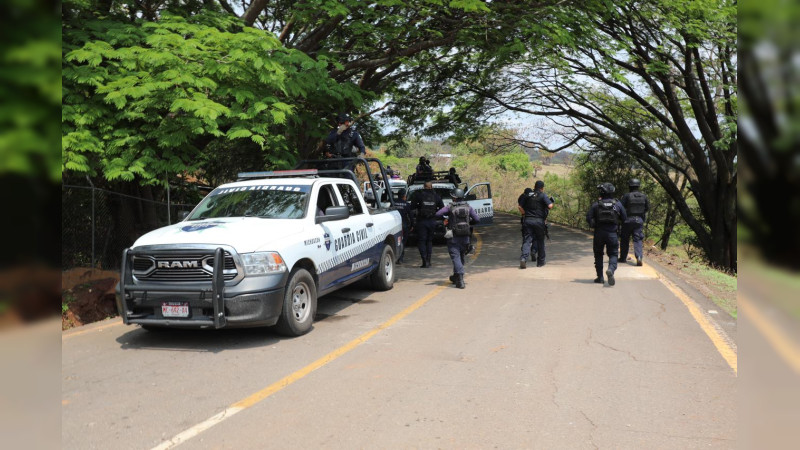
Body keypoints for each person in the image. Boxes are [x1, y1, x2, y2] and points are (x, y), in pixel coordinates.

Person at [435, 188, 481, 289]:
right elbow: (477, 219)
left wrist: (446, 218)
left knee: (456, 257)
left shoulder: (450, 207)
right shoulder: (468, 207)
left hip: (454, 237)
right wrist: (469, 225)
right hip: (465, 237)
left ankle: (460, 280)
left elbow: (438, 214)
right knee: (461, 257)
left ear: (454, 197)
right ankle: (456, 277)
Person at [586, 182, 627, 286]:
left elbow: (588, 218)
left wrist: (593, 223)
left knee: (598, 254)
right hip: (612, 234)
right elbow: (625, 218)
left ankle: (600, 277)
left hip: (599, 233)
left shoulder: (596, 204)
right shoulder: (617, 204)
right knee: (613, 254)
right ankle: (611, 270)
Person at [517, 180, 554, 268]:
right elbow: (550, 206)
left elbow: (519, 206)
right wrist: (551, 202)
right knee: (540, 240)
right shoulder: (543, 195)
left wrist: (524, 214)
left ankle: (523, 259)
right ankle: (540, 262)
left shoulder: (528, 195)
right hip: (539, 221)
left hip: (528, 220)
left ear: (534, 186)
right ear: (542, 188)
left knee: (527, 240)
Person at [410, 181, 444, 268]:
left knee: (422, 241)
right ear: (431, 187)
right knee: (429, 241)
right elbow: (442, 208)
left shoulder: (419, 195)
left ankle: (424, 261)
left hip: (422, 221)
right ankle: (429, 260)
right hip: (432, 221)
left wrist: (419, 207)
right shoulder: (436, 196)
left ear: (424, 186)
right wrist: (435, 213)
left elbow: (412, 207)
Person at [619, 178, 649, 266]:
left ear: (630, 186)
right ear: (638, 186)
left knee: (624, 239)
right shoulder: (644, 196)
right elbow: (647, 208)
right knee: (638, 239)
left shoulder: (626, 196)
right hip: (639, 220)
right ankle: (639, 257)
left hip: (627, 220)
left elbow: (620, 208)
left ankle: (623, 258)